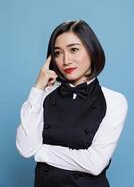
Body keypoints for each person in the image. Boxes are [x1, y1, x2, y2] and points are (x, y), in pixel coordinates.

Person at [16, 19, 128, 187]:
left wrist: (42, 152)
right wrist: (37, 88)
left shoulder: (114, 100)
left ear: (92, 50)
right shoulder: (44, 94)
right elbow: (25, 149)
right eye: (58, 53)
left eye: (74, 50)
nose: (65, 60)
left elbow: (95, 163)